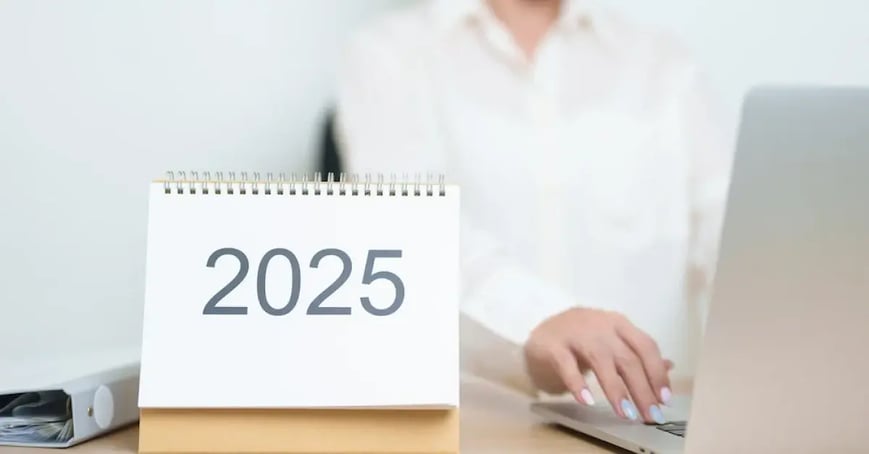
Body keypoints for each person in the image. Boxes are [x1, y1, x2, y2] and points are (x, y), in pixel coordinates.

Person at [334, 0, 732, 425]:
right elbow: (412, 227)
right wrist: (536, 317)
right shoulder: (389, 55)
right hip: (475, 422)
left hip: (650, 420)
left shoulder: (664, 64)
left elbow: (728, 231)